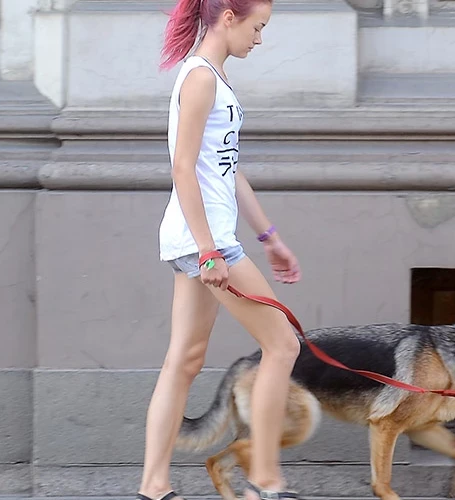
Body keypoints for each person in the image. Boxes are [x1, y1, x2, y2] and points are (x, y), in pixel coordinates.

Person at [136, 1, 304, 499]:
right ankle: (266, 482)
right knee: (283, 346)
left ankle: (154, 488)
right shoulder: (201, 78)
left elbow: (227, 172)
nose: (260, 38)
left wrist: (270, 238)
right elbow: (183, 168)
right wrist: (209, 251)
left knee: (184, 361)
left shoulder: (214, 77)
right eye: (257, 27)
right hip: (205, 242)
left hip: (202, 238)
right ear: (228, 17)